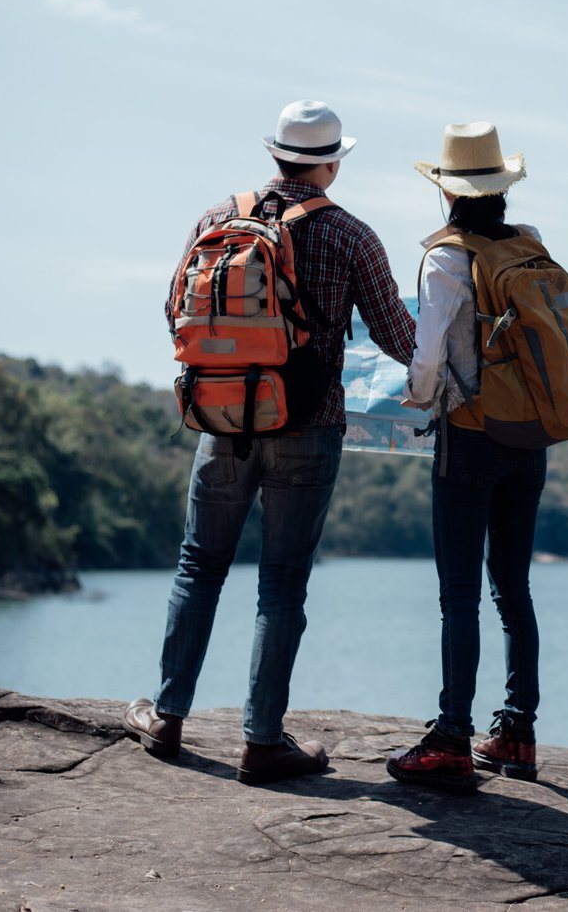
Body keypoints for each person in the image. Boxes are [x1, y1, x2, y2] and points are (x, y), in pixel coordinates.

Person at [124, 100, 419, 785]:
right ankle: (261, 741)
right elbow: (400, 339)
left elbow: (175, 309)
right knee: (281, 584)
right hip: (310, 426)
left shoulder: (217, 218)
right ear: (332, 163)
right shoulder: (352, 235)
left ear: (277, 154)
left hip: (223, 423)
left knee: (199, 567)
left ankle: (166, 717)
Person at [386, 122, 547, 790]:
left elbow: (427, 361)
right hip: (529, 439)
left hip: (470, 437)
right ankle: (516, 733)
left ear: (447, 195)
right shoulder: (530, 247)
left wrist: (413, 399)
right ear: (501, 191)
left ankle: (452, 737)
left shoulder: (447, 258)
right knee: (512, 589)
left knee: (459, 598)